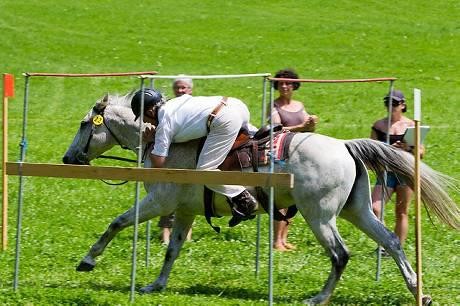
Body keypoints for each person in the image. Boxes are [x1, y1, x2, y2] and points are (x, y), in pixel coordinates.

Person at [131, 88, 258, 228]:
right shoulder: (174, 103)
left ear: (149, 112)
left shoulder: (163, 122)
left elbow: (159, 162)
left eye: (144, 118)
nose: (148, 123)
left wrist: (151, 141)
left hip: (224, 119)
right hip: (236, 105)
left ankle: (243, 199)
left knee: (203, 172)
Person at [269, 68, 319, 251]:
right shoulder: (274, 106)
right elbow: (276, 130)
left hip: (299, 156)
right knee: (281, 198)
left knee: (292, 199)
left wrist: (311, 124)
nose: (284, 86)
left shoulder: (300, 105)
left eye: (288, 82)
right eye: (281, 83)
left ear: (294, 85)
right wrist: (301, 126)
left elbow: (308, 129)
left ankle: (284, 239)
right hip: (281, 155)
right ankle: (276, 241)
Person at [370, 89, 425, 252]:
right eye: (388, 102)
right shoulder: (379, 126)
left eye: (394, 103)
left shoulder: (411, 126)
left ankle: (396, 247)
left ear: (403, 105)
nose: (391, 106)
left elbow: (421, 153)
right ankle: (386, 242)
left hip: (405, 172)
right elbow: (371, 151)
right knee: (375, 208)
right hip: (386, 171)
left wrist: (409, 147)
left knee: (401, 211)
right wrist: (387, 149)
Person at [156, 76, 194, 244]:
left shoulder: (195, 105)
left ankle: (187, 235)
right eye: (178, 87)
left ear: (190, 90)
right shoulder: (167, 106)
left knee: (189, 196)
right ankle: (165, 235)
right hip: (170, 156)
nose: (180, 90)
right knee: (167, 194)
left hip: (189, 157)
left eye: (184, 87)